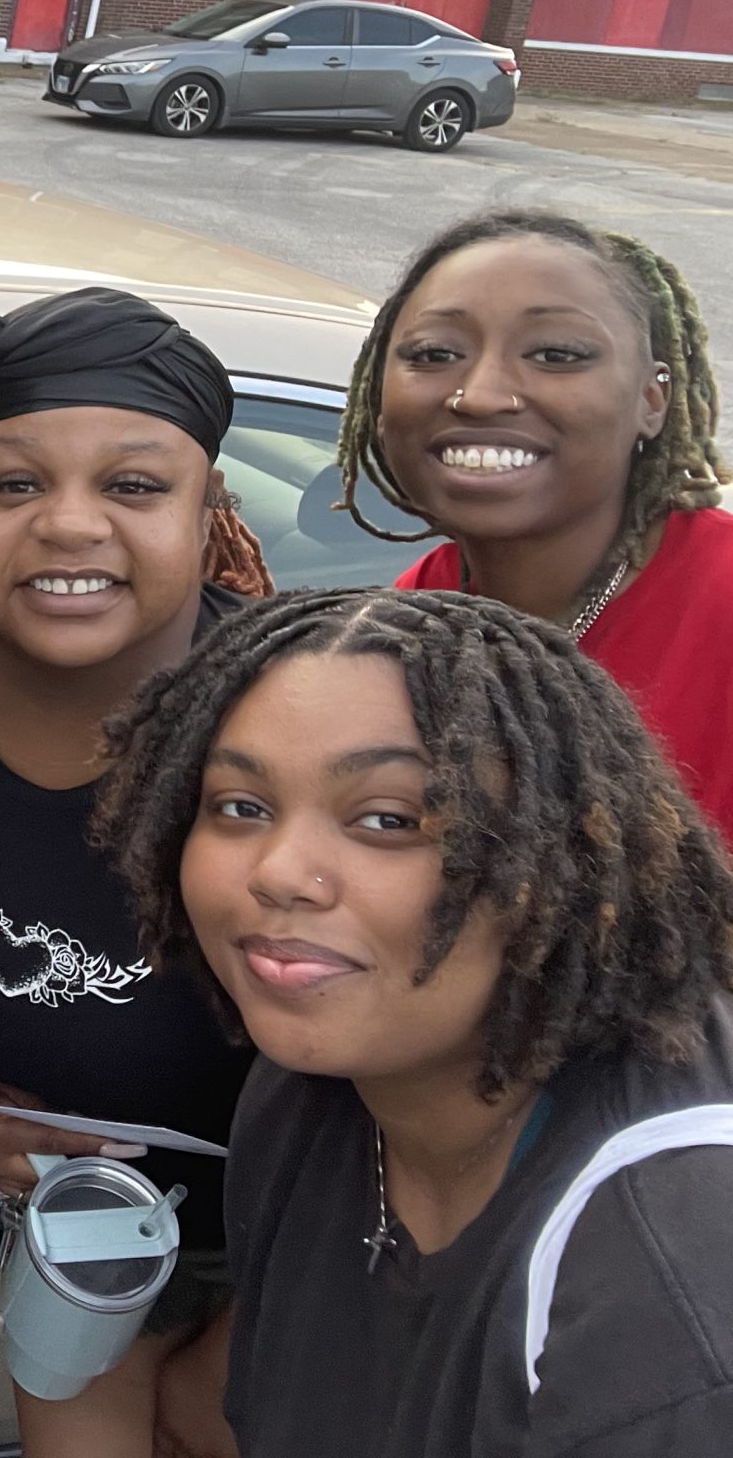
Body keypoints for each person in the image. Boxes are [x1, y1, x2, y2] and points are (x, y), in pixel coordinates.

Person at [97, 587, 733, 1456]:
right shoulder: (303, 1096)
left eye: (388, 820)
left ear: (553, 862)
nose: (280, 873)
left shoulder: (672, 1292)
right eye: (240, 806)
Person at [0, 249, 265, 1458]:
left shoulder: (297, 725)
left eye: (134, 484)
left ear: (207, 505)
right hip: (82, 1242)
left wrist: (257, 1343)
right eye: (12, 484)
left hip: (339, 1250)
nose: (70, 524)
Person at [334, 208, 733, 837]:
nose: (482, 394)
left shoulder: (719, 601)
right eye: (435, 353)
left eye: (555, 354)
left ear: (652, 399)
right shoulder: (401, 622)